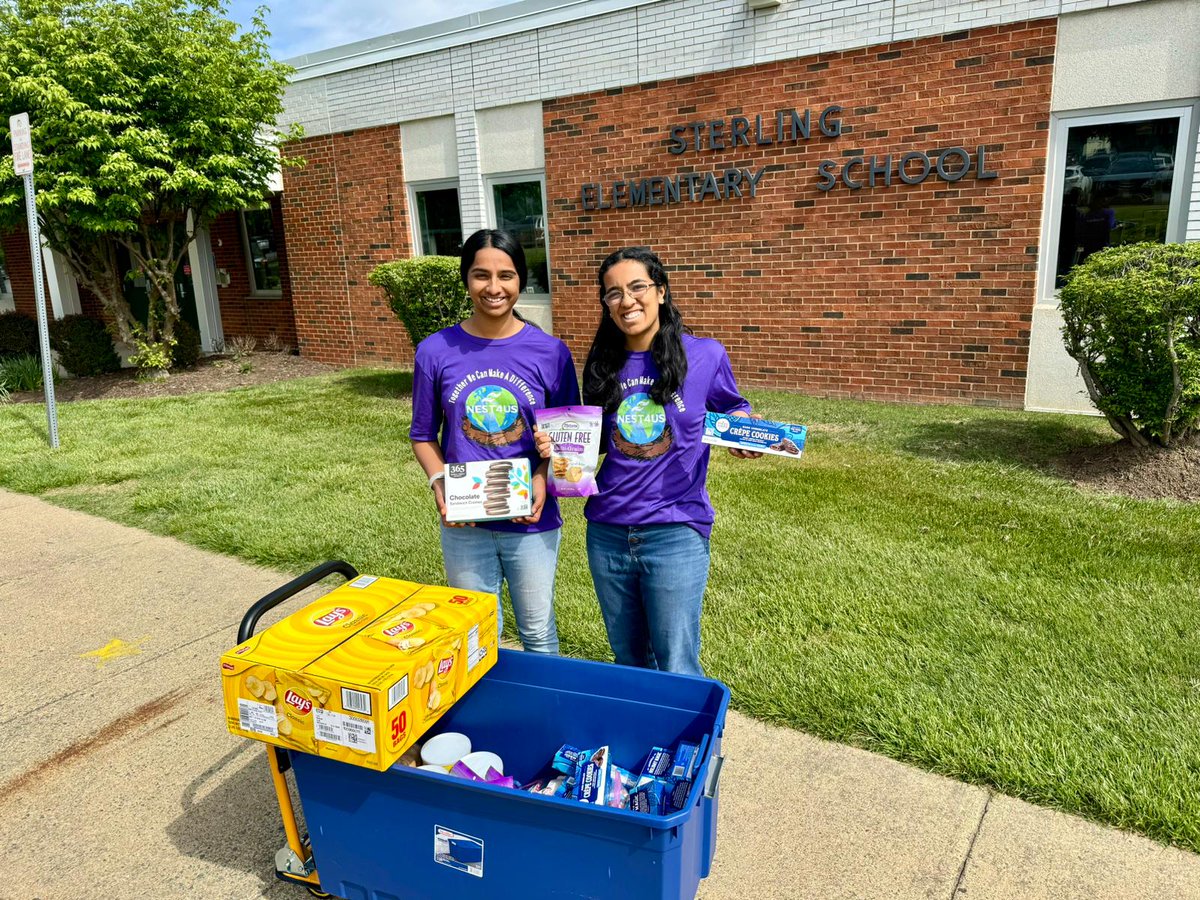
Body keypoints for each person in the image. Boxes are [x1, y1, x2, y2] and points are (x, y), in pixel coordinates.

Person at [538, 245, 759, 675]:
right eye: (613, 293)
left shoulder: (705, 354)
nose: (627, 300)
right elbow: (598, 441)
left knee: (677, 663)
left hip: (675, 529)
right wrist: (559, 447)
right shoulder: (603, 361)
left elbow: (732, 406)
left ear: (660, 292)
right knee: (629, 661)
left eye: (637, 287)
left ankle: (698, 745)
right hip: (607, 530)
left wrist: (743, 427)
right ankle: (648, 743)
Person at [410, 229, 579, 654]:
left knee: (538, 633)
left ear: (521, 280)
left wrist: (543, 477)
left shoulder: (551, 352)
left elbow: (567, 442)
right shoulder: (435, 351)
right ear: (466, 280)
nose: (494, 287)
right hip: (465, 524)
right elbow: (422, 435)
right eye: (481, 275)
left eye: (506, 275)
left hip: (531, 521)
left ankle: (543, 719)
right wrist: (440, 484)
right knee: (475, 639)